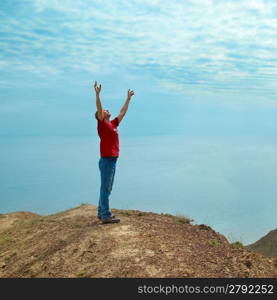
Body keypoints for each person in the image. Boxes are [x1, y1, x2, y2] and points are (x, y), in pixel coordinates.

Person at [94, 81, 135, 224]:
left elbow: (122, 112)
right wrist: (97, 95)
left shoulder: (112, 124)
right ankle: (105, 215)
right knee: (107, 187)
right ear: (101, 115)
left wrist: (128, 99)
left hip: (111, 159)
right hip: (107, 160)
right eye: (104, 110)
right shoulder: (103, 124)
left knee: (105, 187)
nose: (106, 110)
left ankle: (101, 212)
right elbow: (98, 109)